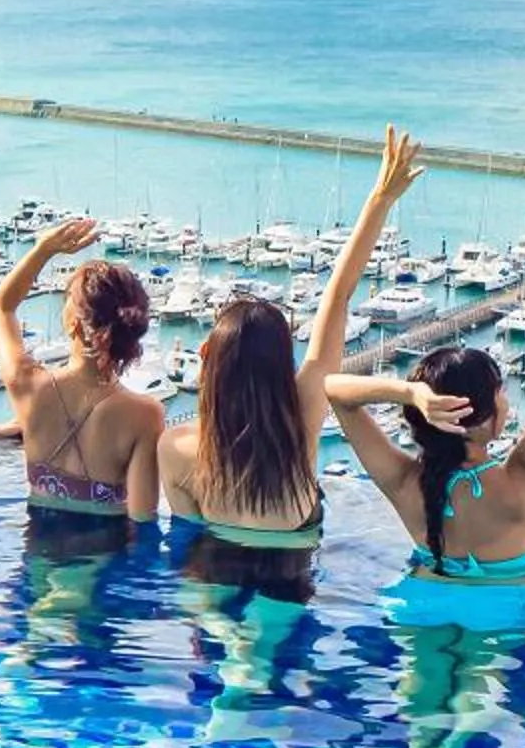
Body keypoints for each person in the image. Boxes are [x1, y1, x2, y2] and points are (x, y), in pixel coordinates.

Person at [156, 126, 451, 601]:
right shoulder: (303, 413)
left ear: (205, 357)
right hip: (291, 579)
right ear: (281, 362)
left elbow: (186, 544)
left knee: (229, 634)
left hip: (215, 580)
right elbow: (339, 295)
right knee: (267, 642)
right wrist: (379, 199)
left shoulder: (177, 448)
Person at [332, 231, 525, 634]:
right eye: (500, 393)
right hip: (501, 620)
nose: (506, 402)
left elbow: (335, 392)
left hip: (417, 608)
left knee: (418, 698)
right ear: (481, 418)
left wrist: (409, 392)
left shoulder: (407, 484)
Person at [0, 215, 164, 531]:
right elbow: (142, 518)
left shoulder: (26, 384)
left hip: (37, 548)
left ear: (73, 324)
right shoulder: (145, 414)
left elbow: (2, 307)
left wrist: (43, 249)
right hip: (102, 555)